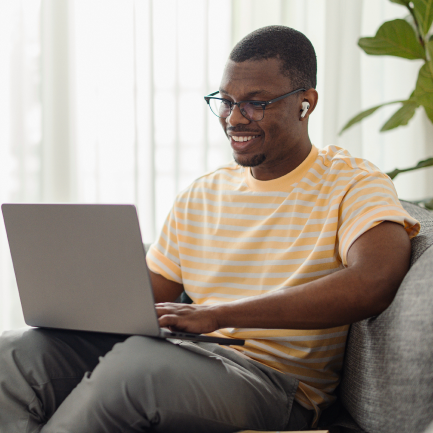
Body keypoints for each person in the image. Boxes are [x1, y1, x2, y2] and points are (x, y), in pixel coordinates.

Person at [0, 25, 420, 433]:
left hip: (275, 383)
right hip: (181, 355)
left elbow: (375, 279)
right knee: (13, 354)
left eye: (256, 103)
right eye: (226, 100)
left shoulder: (352, 182)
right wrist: (73, 294)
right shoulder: (202, 194)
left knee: (133, 372)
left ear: (305, 103)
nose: (234, 118)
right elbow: (150, 298)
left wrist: (217, 314)